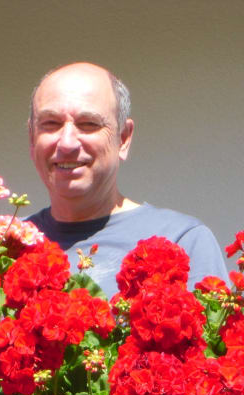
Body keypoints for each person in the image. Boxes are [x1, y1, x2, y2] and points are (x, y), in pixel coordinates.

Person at [26, 62, 227, 298]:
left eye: (88, 124)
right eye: (51, 124)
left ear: (123, 139)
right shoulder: (0, 248)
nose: (67, 143)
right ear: (32, 137)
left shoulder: (183, 241)